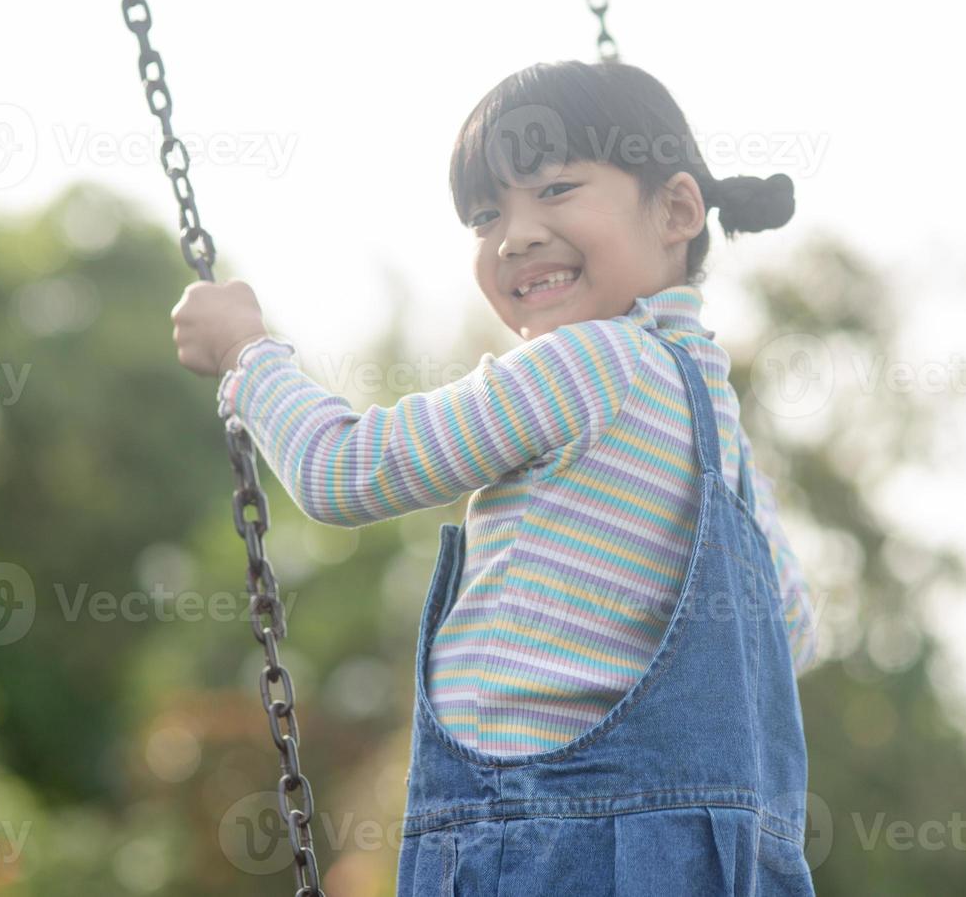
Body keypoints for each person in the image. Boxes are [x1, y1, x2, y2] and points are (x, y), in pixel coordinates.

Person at [171, 59, 821, 894]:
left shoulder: (587, 362)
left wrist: (246, 357)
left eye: (554, 190)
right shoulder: (714, 424)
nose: (514, 235)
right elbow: (791, 627)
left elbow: (345, 473)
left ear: (678, 210)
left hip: (543, 843)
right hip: (711, 862)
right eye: (486, 215)